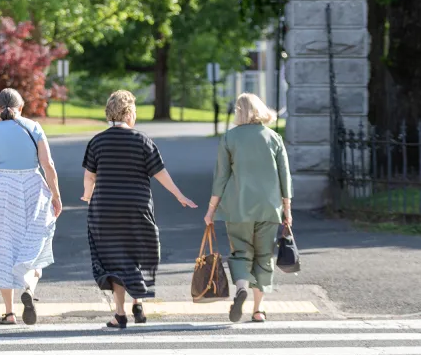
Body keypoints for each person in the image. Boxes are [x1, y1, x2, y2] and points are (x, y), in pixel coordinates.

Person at [83, 90, 197, 329]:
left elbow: (89, 176)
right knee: (136, 253)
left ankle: (120, 314)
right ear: (129, 113)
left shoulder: (97, 141)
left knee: (114, 258)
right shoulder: (142, 140)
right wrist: (179, 195)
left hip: (106, 209)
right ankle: (138, 302)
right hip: (137, 207)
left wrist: (87, 195)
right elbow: (160, 173)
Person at [0, 88, 63, 325]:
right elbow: (47, 165)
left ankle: (9, 313)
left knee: (3, 249)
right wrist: (55, 195)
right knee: (35, 244)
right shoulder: (34, 127)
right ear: (22, 106)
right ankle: (29, 286)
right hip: (33, 188)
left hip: (0, 191)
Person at [204, 92, 293, 323]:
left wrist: (211, 210)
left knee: (240, 252)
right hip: (269, 207)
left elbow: (221, 177)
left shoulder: (229, 138)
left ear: (240, 112)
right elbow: (285, 176)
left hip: (238, 208)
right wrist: (287, 210)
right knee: (264, 256)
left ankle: (241, 286)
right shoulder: (274, 137)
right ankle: (258, 309)